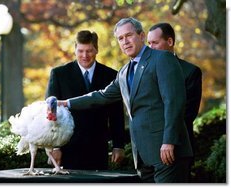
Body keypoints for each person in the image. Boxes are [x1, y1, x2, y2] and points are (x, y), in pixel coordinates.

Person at [58, 18, 193, 183]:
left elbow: (174, 103)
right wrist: (66, 103)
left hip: (167, 152)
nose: (125, 41)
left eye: (129, 35)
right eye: (120, 38)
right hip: (143, 156)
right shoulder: (123, 72)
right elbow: (102, 96)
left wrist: (169, 141)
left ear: (141, 36)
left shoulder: (162, 59)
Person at [45, 30, 126, 170]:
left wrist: (118, 145)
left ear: (96, 50)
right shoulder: (59, 74)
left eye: (89, 51)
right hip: (67, 148)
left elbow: (117, 115)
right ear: (75, 50)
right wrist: (55, 146)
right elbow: (51, 113)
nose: (84, 55)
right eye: (80, 51)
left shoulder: (111, 75)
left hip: (98, 147)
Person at [147, 22, 202, 180]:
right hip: (149, 148)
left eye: (155, 43)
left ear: (170, 42)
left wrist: (167, 139)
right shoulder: (146, 71)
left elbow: (187, 113)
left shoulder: (190, 71)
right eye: (149, 43)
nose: (151, 48)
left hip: (177, 146)